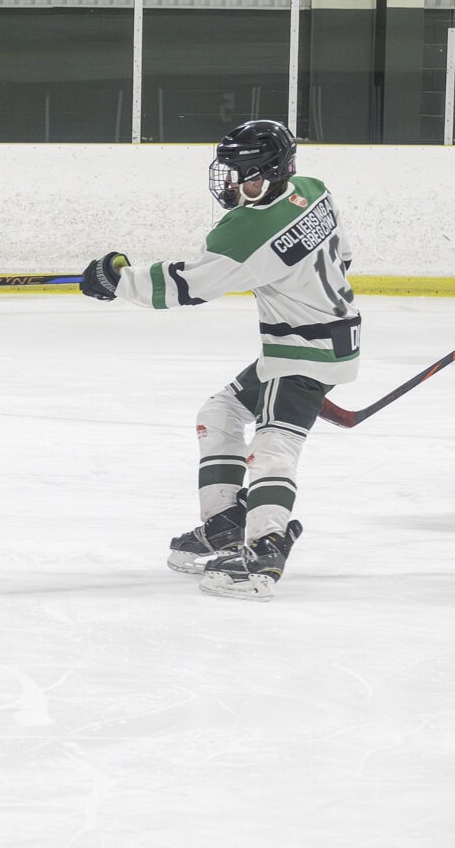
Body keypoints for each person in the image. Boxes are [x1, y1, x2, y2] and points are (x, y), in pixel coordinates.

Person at [79, 120, 358, 601]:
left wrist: (116, 280)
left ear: (271, 172)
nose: (233, 185)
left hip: (300, 350)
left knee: (272, 445)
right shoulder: (312, 190)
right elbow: (344, 256)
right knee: (221, 412)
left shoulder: (250, 226)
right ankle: (225, 525)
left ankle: (265, 550)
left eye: (245, 175)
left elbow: (190, 285)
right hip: (327, 337)